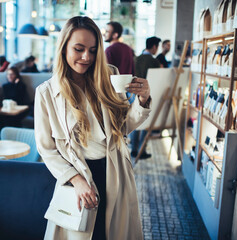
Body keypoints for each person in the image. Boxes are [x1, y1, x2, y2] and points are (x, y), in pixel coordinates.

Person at [35, 16, 151, 239]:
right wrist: (76, 180)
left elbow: (122, 126)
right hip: (78, 177)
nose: (86, 57)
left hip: (115, 171)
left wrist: (143, 100)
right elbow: (46, 149)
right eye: (78, 49)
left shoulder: (109, 76)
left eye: (92, 50)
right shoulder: (46, 93)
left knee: (113, 232)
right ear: (63, 47)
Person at [131, 36, 161, 159]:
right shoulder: (154, 61)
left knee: (133, 120)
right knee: (145, 121)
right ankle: (141, 150)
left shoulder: (136, 58)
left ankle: (133, 149)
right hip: (147, 93)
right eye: (157, 47)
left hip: (133, 92)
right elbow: (157, 79)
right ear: (154, 46)